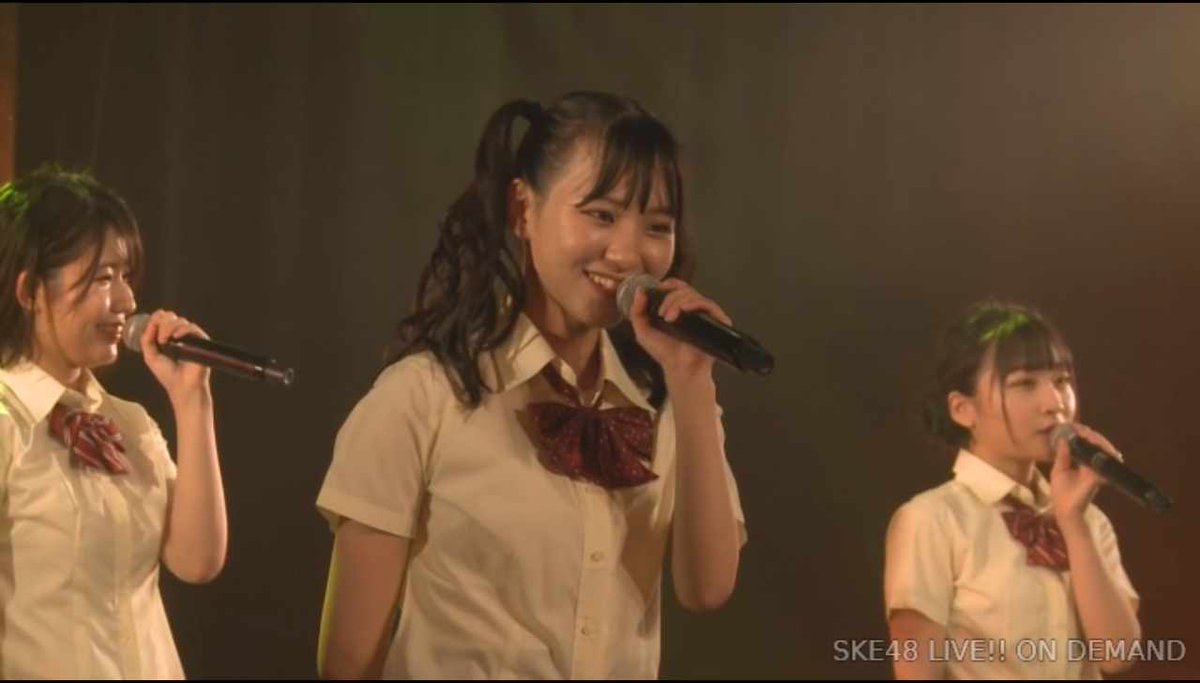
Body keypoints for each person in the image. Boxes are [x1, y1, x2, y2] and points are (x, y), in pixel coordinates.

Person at [316, 91, 747, 679]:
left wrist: (694, 385)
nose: (628, 254)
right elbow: (347, 664)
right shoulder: (421, 397)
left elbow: (708, 588)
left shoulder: (668, 403)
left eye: (657, 226)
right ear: (522, 209)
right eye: (601, 214)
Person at [0, 166, 229, 678]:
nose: (127, 301)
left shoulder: (130, 423)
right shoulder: (8, 424)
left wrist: (193, 401)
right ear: (30, 291)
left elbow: (197, 561)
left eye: (125, 276)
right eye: (103, 278)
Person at [884, 300, 1141, 679]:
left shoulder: (1088, 519)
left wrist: (1073, 523)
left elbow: (1117, 656)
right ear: (962, 409)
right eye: (1024, 384)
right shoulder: (931, 520)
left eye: (1061, 381)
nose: (1055, 403)